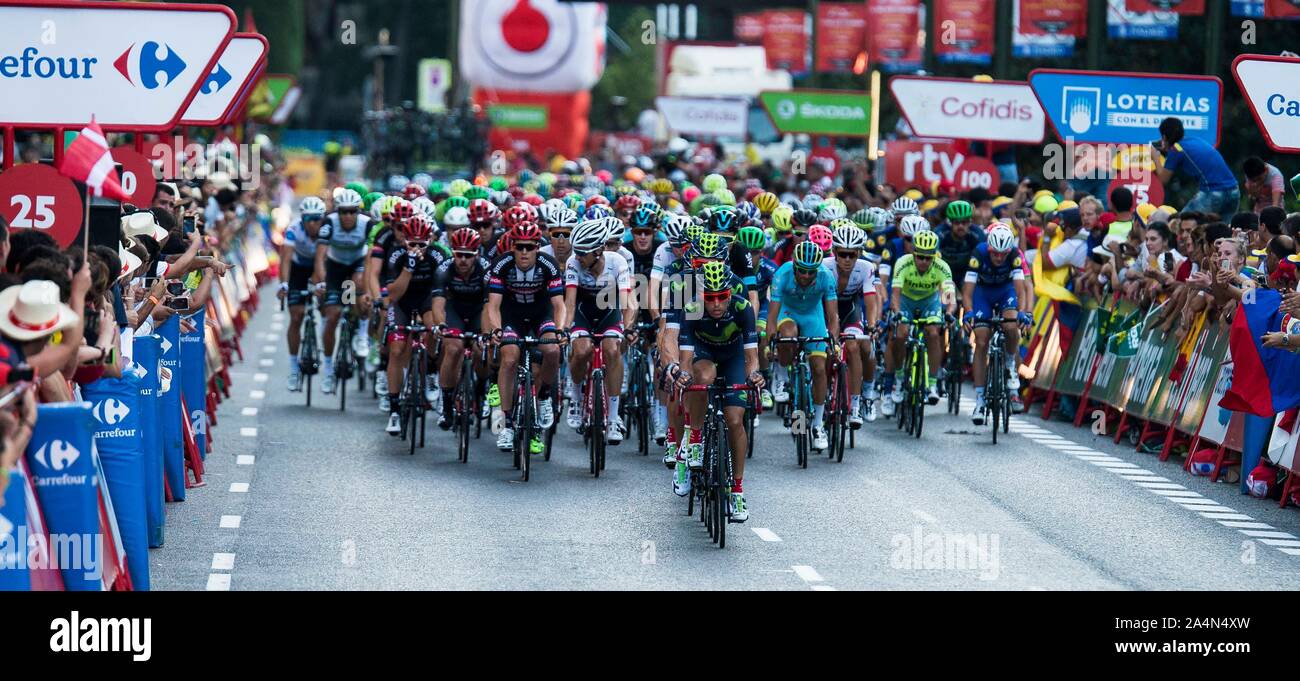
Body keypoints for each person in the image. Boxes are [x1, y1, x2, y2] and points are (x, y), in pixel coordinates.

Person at [671, 261, 763, 522]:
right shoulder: (691, 310)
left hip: (733, 356)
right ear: (701, 296)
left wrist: (754, 375)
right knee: (702, 377)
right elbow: (686, 359)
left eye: (722, 297)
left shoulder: (743, 309)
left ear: (730, 294)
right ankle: (696, 439)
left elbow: (751, 356)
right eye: (709, 298)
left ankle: (736, 490)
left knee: (735, 420)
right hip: (704, 353)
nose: (716, 304)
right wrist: (683, 376)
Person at [484, 222, 565, 453]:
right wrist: (497, 330)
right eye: (519, 247)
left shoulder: (548, 265)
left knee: (552, 350)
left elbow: (559, 305)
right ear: (513, 247)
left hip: (541, 315)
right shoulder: (502, 264)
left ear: (537, 247)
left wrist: (559, 330)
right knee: (509, 358)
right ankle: (507, 423)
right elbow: (493, 305)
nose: (524, 252)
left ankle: (544, 396)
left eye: (529, 247)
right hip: (513, 316)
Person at [563, 219, 636, 444]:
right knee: (582, 349)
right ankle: (575, 397)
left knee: (612, 350)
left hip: (609, 313)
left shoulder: (618, 262)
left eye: (582, 253)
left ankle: (613, 418)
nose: (577, 257)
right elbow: (570, 303)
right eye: (575, 251)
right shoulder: (573, 263)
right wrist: (564, 329)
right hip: (583, 313)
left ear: (597, 251)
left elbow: (627, 302)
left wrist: (629, 328)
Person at [767, 240, 840, 451]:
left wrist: (832, 341)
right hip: (787, 313)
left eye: (811, 272)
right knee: (787, 335)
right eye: (802, 271)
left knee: (819, 367)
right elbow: (772, 316)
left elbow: (833, 316)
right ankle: (781, 375)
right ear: (794, 264)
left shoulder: (826, 276)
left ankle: (818, 425)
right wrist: (772, 341)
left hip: (812, 317)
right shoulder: (783, 273)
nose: (806, 276)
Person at [381, 216, 442, 435]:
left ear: (431, 240)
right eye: (412, 244)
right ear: (404, 240)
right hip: (402, 303)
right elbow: (393, 295)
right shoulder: (397, 256)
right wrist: (408, 267)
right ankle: (395, 410)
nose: (416, 248)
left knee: (436, 327)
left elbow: (442, 294)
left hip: (428, 300)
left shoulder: (438, 255)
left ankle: (431, 372)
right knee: (396, 350)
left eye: (421, 244)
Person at [963, 224, 1029, 424]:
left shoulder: (1015, 254)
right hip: (983, 294)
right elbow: (967, 291)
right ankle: (980, 399)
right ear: (989, 248)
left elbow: (1020, 290)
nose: (999, 258)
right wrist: (968, 313)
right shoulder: (978, 253)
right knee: (982, 341)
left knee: (1011, 326)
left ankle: (1010, 365)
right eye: (995, 254)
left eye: (1003, 254)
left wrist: (1023, 313)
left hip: (1004, 291)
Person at [886, 230, 956, 410]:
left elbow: (949, 298)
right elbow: (895, 295)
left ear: (934, 256)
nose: (924, 262)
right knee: (900, 334)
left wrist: (949, 312)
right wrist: (897, 312)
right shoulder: (902, 263)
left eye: (928, 258)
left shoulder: (942, 267)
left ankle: (932, 382)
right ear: (913, 253)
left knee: (933, 333)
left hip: (929, 302)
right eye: (920, 257)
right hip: (906, 302)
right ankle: (900, 377)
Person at [431, 228, 492, 430]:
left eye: (468, 256)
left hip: (478, 311)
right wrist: (441, 325)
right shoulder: (443, 269)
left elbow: (488, 306)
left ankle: (481, 389)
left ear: (477, 255)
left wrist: (484, 334)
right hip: (454, 310)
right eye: (459, 255)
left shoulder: (486, 269)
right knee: (454, 348)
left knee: (481, 349)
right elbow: (438, 304)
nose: (463, 260)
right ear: (453, 253)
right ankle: (447, 404)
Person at [313, 188, 371, 394]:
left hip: (357, 264)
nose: (347, 216)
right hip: (336, 267)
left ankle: (362, 333)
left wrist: (369, 287)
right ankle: (328, 370)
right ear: (338, 212)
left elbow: (373, 256)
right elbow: (320, 257)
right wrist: (322, 282)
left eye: (352, 211)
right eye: (343, 211)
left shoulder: (366, 224)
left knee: (359, 288)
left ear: (358, 212)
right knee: (333, 316)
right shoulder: (329, 222)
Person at [823, 224, 877, 427]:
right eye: (843, 254)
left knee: (854, 346)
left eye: (852, 255)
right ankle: (824, 389)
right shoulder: (824, 266)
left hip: (850, 309)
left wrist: (871, 326)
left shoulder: (866, 267)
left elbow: (870, 301)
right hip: (826, 309)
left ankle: (855, 405)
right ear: (834, 251)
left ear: (859, 253)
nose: (847, 260)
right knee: (826, 351)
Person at [1154, 117, 1239, 223]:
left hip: (1214, 193)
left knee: (1181, 223)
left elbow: (1163, 179)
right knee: (1222, 231)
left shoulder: (1176, 149)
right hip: (1234, 191)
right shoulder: (1194, 140)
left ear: (1164, 136)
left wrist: (1155, 156)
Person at [279, 196, 325, 392]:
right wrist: (284, 284)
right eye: (309, 219)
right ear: (303, 219)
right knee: (296, 317)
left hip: (321, 266)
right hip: (298, 268)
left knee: (329, 308)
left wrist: (320, 283)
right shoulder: (293, 230)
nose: (313, 223)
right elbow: (286, 259)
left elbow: (325, 262)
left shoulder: (327, 230)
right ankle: (293, 367)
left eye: (317, 218)